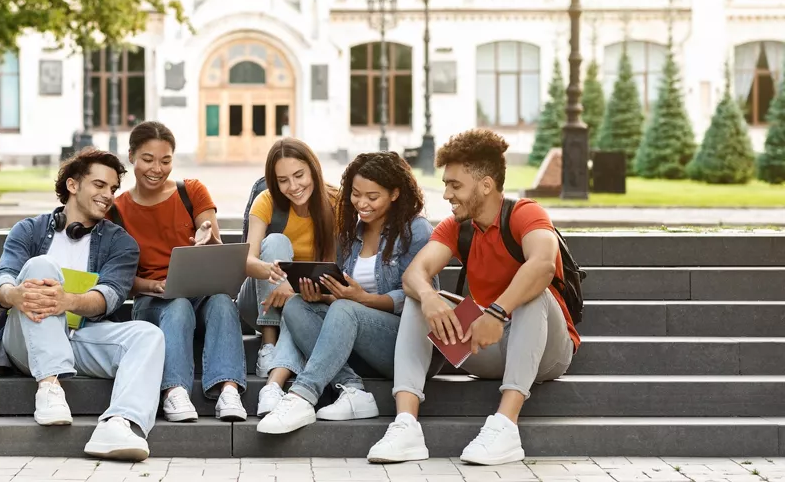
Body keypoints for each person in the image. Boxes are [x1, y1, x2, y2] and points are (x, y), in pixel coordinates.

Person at [366, 129, 580, 466]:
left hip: (547, 351)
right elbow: (413, 275)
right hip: (487, 346)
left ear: (485, 185)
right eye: (446, 184)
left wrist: (496, 312)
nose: (447, 194)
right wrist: (430, 296)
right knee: (419, 299)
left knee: (533, 293)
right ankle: (406, 426)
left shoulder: (526, 213)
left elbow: (541, 264)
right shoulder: (456, 226)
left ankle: (506, 427)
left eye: (455, 185)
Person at [0, 148, 165, 462]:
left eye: (112, 189)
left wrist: (66, 301)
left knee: (149, 335)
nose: (108, 195)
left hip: (80, 338)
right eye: (99, 185)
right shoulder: (29, 230)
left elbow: (107, 297)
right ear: (73, 185)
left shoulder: (120, 243)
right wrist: (16, 295)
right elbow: (0, 282)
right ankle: (49, 387)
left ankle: (119, 424)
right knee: (41, 267)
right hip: (25, 341)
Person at [256, 152, 434, 434]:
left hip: (402, 345)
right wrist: (324, 294)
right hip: (354, 343)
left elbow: (420, 297)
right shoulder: (352, 231)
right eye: (355, 194)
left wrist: (364, 299)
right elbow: (344, 294)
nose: (361, 204)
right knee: (296, 306)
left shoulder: (415, 230)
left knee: (344, 309)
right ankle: (353, 390)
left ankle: (303, 395)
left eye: (372, 197)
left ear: (395, 193)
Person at [111, 121, 248, 423]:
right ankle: (173, 391)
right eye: (148, 159)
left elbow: (217, 247)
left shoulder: (192, 191)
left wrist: (207, 237)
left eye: (165, 160)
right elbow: (118, 279)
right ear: (131, 156)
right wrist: (151, 285)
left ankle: (228, 389)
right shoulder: (117, 210)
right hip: (153, 301)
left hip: (200, 293)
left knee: (224, 303)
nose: (157, 169)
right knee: (177, 305)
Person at [236, 138, 337, 417]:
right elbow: (247, 260)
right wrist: (275, 274)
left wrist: (293, 291)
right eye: (282, 180)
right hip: (258, 300)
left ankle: (272, 388)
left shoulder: (336, 203)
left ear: (313, 170)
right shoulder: (266, 200)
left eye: (299, 175)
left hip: (307, 299)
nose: (293, 187)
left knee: (297, 307)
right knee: (276, 242)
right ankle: (268, 344)